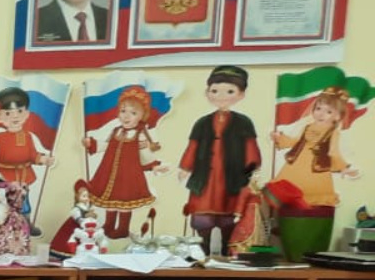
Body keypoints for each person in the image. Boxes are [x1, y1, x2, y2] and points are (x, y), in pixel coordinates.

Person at [179, 65, 262, 256]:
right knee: (203, 218)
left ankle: (227, 248)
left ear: (241, 95)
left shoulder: (244, 122)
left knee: (228, 216)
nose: (221, 96)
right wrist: (185, 167)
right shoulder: (202, 123)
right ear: (207, 92)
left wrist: (252, 167)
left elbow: (250, 146)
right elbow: (193, 147)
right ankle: (203, 248)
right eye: (215, 91)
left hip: (231, 177)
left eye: (230, 91)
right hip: (205, 177)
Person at [84, 86, 168, 238]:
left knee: (124, 203)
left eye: (133, 113)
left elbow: (145, 155)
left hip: (128, 176)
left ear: (142, 115)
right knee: (110, 202)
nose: (126, 116)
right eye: (123, 111)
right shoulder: (116, 130)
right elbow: (106, 145)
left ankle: (122, 229)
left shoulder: (140, 135)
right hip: (109, 172)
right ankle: (109, 225)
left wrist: (154, 166)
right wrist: (92, 144)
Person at [0, 87, 56, 232]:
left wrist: (44, 159)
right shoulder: (1, 137)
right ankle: (3, 227)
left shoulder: (27, 136)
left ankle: (26, 225)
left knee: (24, 203)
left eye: (19, 111)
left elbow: (33, 155)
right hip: (4, 177)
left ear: (26, 114)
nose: (14, 116)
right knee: (4, 202)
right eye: (8, 113)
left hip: (23, 177)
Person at [272, 87, 361, 209]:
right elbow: (295, 142)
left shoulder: (333, 132)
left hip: (316, 168)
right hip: (297, 164)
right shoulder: (308, 127)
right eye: (318, 108)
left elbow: (333, 152)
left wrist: (344, 167)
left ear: (337, 116)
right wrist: (280, 138)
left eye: (328, 112)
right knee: (290, 194)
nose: (321, 114)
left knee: (310, 197)